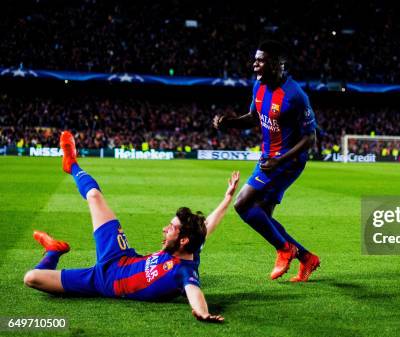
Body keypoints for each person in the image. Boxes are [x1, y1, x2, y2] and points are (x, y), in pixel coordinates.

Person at [23, 131, 239, 322]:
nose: (165, 229)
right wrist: (227, 198)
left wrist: (202, 312)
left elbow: (194, 291)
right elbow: (208, 224)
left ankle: (53, 251)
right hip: (121, 255)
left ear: (184, 240)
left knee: (31, 278)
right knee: (94, 196)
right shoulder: (193, 243)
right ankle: (71, 164)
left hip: (103, 282)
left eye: (171, 227)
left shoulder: (184, 271)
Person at [213, 40, 320, 282]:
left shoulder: (295, 95)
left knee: (242, 204)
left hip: (287, 162)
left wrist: (280, 160)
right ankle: (306, 258)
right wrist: (229, 122)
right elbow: (254, 117)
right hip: (267, 159)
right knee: (263, 217)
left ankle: (285, 249)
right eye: (255, 60)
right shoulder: (259, 87)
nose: (255, 65)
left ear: (276, 63)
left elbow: (310, 138)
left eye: (260, 60)